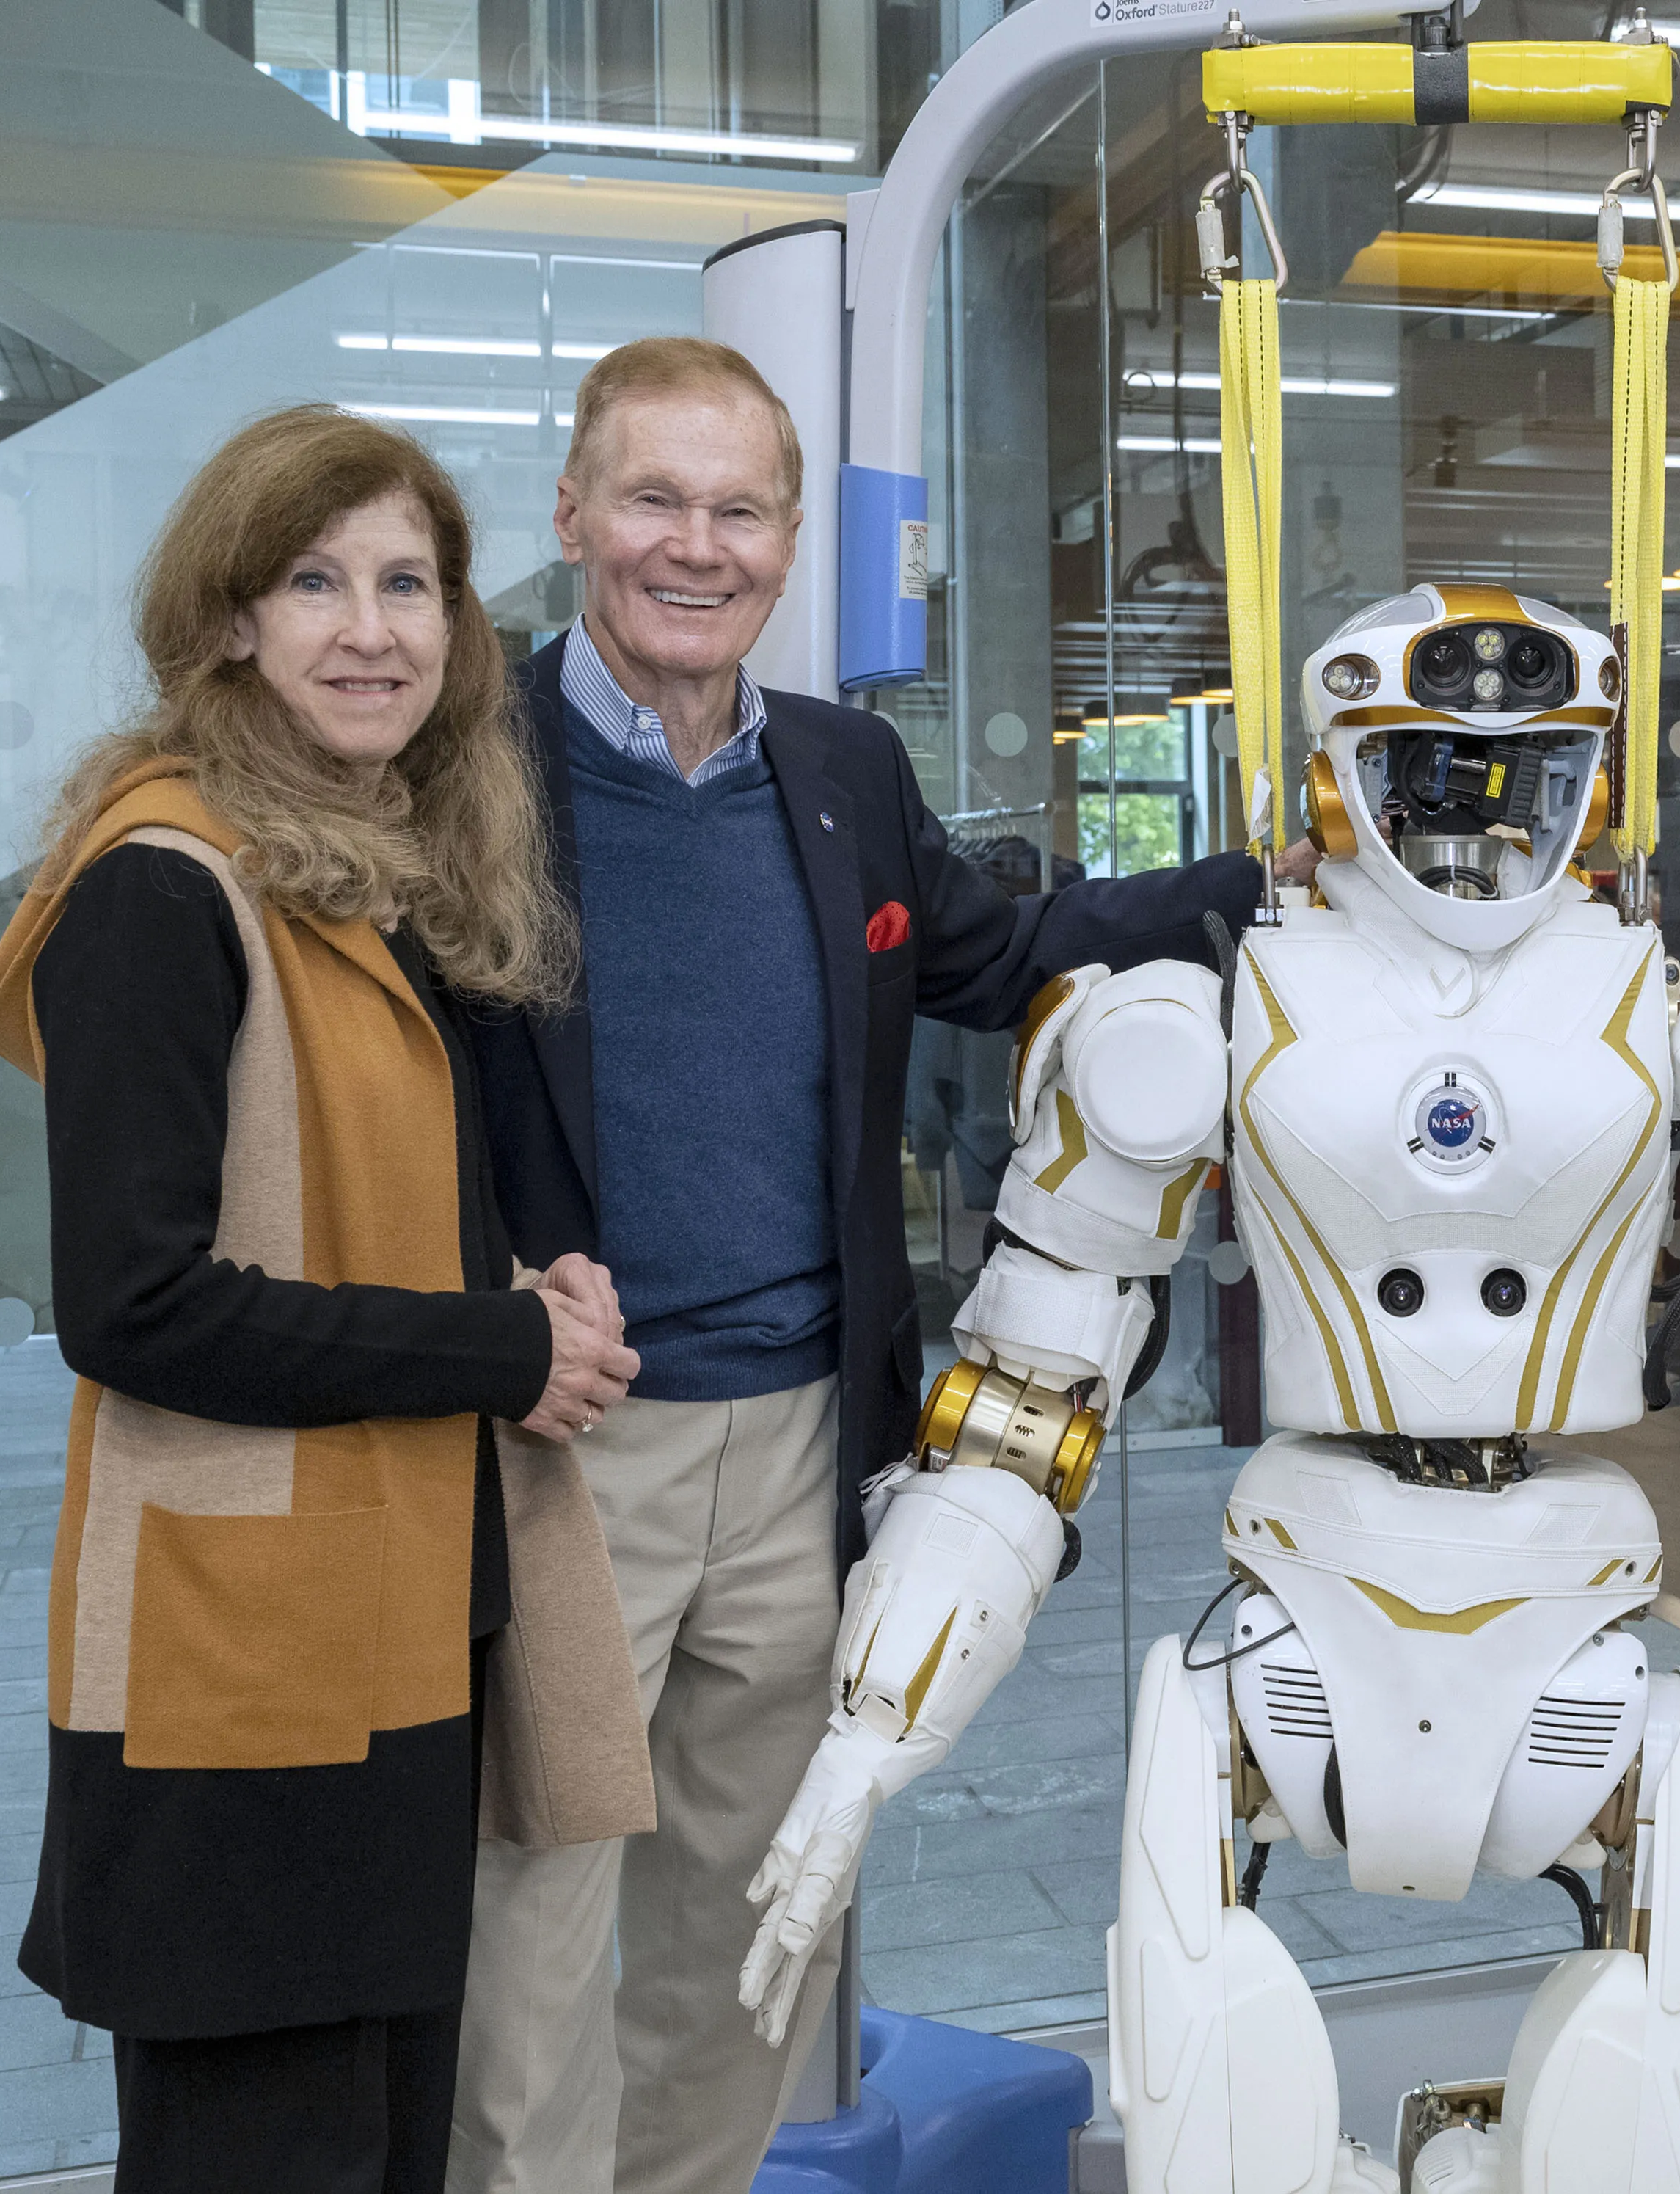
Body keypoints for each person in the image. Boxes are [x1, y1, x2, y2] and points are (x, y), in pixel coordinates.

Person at [448, 338, 1299, 2194]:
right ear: (577, 510)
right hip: (561, 1451)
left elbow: (1006, 961)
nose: (697, 544)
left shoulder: (841, 767)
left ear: (789, 539)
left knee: (749, 1939)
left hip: (811, 1439)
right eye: (654, 498)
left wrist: (1272, 884)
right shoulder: (458, 768)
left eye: (740, 507)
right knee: (522, 1948)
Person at [0, 407, 649, 2193]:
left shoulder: (348, 876)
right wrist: (502, 1348)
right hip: (239, 1687)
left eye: (410, 582)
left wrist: (518, 1289)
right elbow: (138, 1305)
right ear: (227, 625)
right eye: (316, 581)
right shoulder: (160, 886)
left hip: (382, 1645)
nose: (374, 627)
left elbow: (339, 1226)